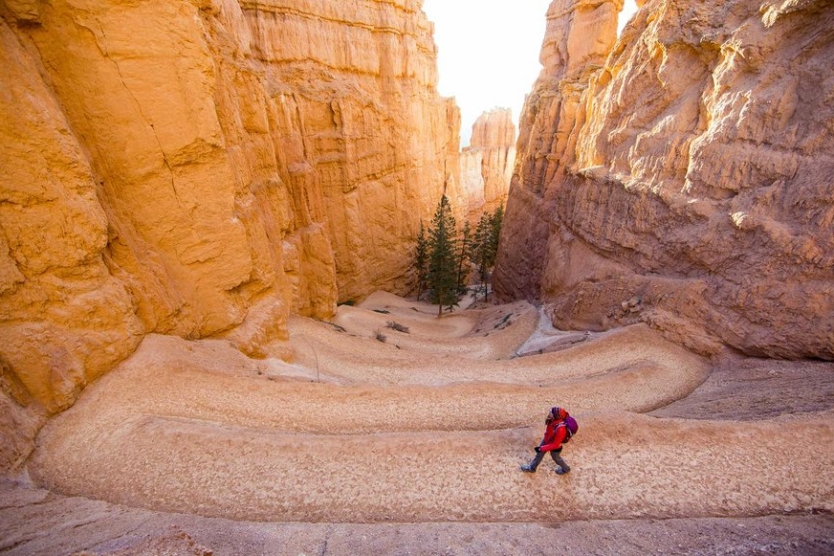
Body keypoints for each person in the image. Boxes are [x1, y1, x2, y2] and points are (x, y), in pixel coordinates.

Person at [520, 406, 571, 475]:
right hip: (547, 439)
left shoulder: (561, 429)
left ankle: (566, 469)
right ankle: (532, 468)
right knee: (539, 455)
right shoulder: (552, 420)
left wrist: (541, 448)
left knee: (556, 458)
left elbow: (555, 444)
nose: (549, 413)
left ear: (556, 416)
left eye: (551, 413)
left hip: (555, 447)